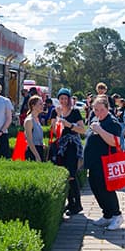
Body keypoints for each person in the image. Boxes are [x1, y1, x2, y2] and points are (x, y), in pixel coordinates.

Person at [84, 96, 125, 230]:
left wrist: (100, 130)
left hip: (106, 162)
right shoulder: (95, 119)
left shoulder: (111, 122)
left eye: (101, 110)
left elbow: (116, 142)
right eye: (95, 109)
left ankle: (116, 215)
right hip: (94, 162)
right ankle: (107, 214)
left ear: (107, 108)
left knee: (106, 189)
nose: (98, 112)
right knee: (96, 187)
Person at [49, 88, 86, 216]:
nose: (64, 101)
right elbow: (54, 131)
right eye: (61, 98)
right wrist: (58, 117)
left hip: (72, 146)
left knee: (71, 174)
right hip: (61, 146)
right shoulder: (55, 111)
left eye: (66, 98)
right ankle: (70, 202)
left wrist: (69, 125)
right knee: (64, 174)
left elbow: (82, 130)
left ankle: (77, 204)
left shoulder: (75, 112)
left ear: (69, 99)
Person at [23, 95, 45, 162]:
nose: (42, 106)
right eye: (40, 104)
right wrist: (37, 155)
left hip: (39, 149)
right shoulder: (29, 120)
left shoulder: (37, 119)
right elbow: (29, 141)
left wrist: (42, 143)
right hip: (32, 152)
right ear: (33, 106)